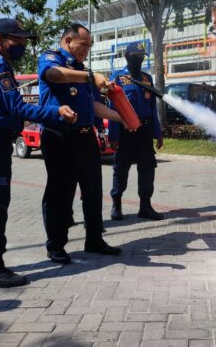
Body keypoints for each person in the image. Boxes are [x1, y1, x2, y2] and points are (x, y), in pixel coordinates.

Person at [0, 18, 78, 288]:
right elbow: (18, 108)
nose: (22, 44)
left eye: (24, 39)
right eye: (17, 39)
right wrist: (55, 113)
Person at [39, 23, 128, 264]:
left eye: (89, 46)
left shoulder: (81, 70)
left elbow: (93, 105)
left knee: (93, 190)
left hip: (85, 137)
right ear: (68, 40)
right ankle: (56, 245)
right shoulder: (50, 58)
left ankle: (94, 239)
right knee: (60, 192)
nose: (86, 50)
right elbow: (54, 75)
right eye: (84, 45)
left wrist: (122, 117)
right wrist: (90, 76)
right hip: (59, 136)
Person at [109, 41, 165, 222]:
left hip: (146, 131)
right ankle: (116, 204)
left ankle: (145, 206)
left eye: (141, 57)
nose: (139, 60)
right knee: (121, 169)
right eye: (136, 57)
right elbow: (113, 107)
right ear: (127, 56)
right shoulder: (118, 78)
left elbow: (152, 107)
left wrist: (158, 132)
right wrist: (114, 135)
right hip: (126, 131)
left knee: (148, 168)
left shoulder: (147, 78)